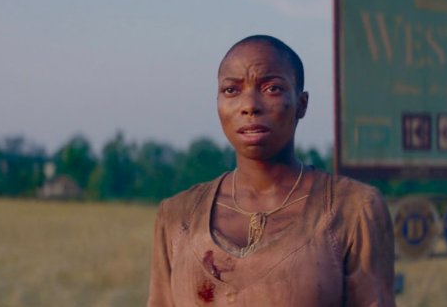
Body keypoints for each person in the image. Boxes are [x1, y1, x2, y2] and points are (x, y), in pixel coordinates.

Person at [147, 35, 395, 306]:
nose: (250, 105)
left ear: (302, 104)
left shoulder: (353, 209)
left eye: (272, 88)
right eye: (231, 90)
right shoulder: (177, 217)